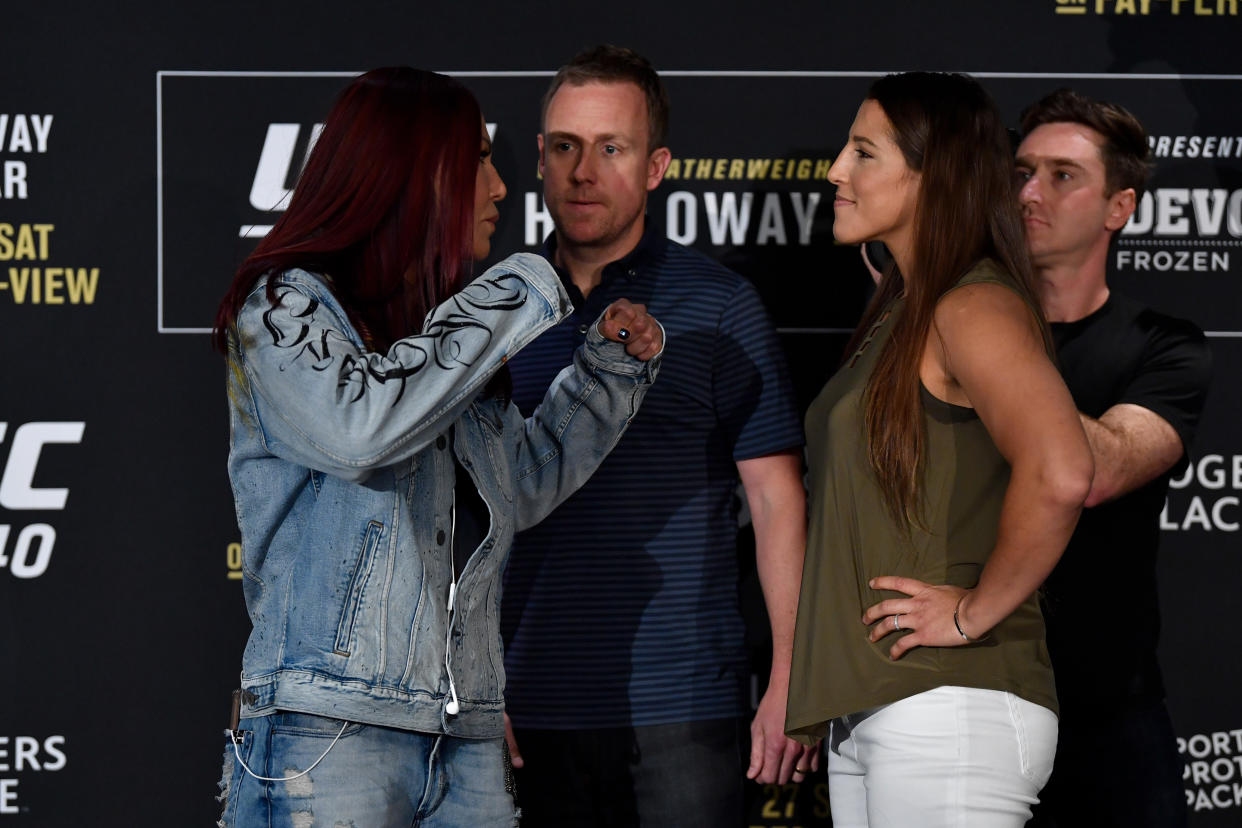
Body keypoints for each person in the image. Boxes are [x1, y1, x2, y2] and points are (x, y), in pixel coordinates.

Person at [211, 67, 663, 828]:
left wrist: (607, 377)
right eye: (478, 163)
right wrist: (519, 285)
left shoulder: (436, 340)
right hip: (327, 733)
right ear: (415, 174)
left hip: (466, 735)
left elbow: (512, 488)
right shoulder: (285, 305)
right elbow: (360, 432)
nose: (498, 188)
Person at [500, 45, 814, 826]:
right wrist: (464, 682)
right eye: (566, 146)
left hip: (684, 705)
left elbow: (776, 500)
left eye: (613, 147)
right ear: (539, 157)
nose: (584, 171)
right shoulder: (492, 312)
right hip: (518, 705)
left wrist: (790, 679)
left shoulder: (721, 306)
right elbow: (456, 515)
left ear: (656, 166)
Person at [786, 71, 1095, 827]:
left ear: (936, 175)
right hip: (880, 709)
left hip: (950, 708)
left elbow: (1061, 470)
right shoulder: (905, 307)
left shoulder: (973, 303)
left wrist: (971, 614)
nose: (836, 171)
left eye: (865, 153)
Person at [1016, 89, 1211, 828]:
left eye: (1063, 175)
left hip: (1110, 710)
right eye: (1021, 171)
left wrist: (986, 341)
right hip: (970, 700)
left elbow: (1095, 473)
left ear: (1119, 208)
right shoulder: (949, 325)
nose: (1030, 192)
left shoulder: (1166, 345)